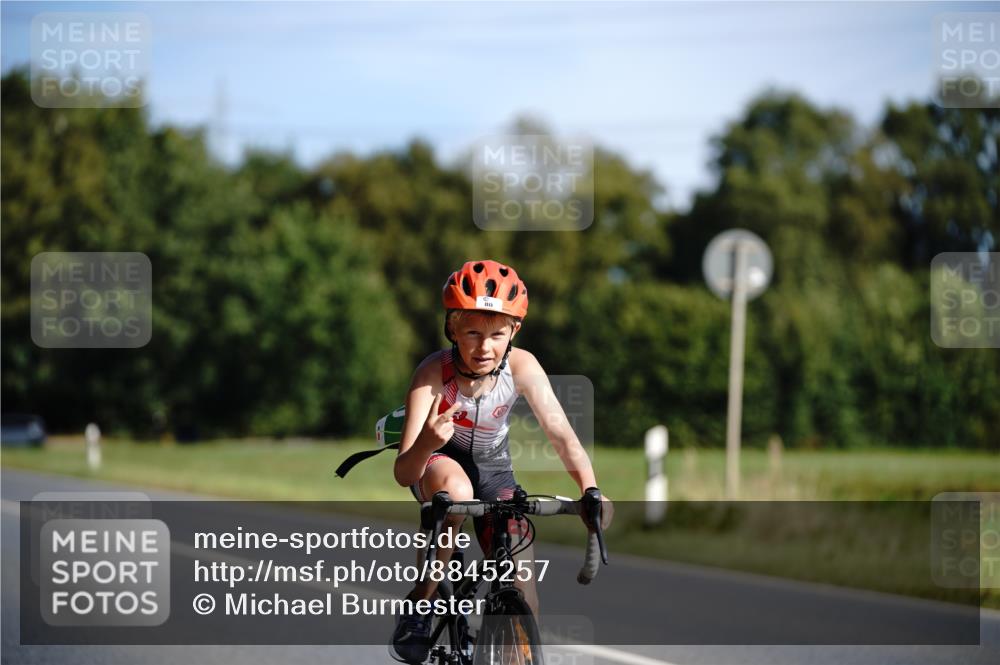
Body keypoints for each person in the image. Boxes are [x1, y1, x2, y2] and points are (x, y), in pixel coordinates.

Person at [389, 259, 609, 664]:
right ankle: (421, 603)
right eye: (473, 333)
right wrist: (428, 443)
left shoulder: (522, 366)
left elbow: (562, 436)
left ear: (514, 332)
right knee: (457, 493)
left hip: (494, 469)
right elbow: (404, 472)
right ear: (452, 328)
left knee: (523, 588)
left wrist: (590, 489)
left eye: (497, 335)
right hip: (438, 461)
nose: (484, 347)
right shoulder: (433, 373)